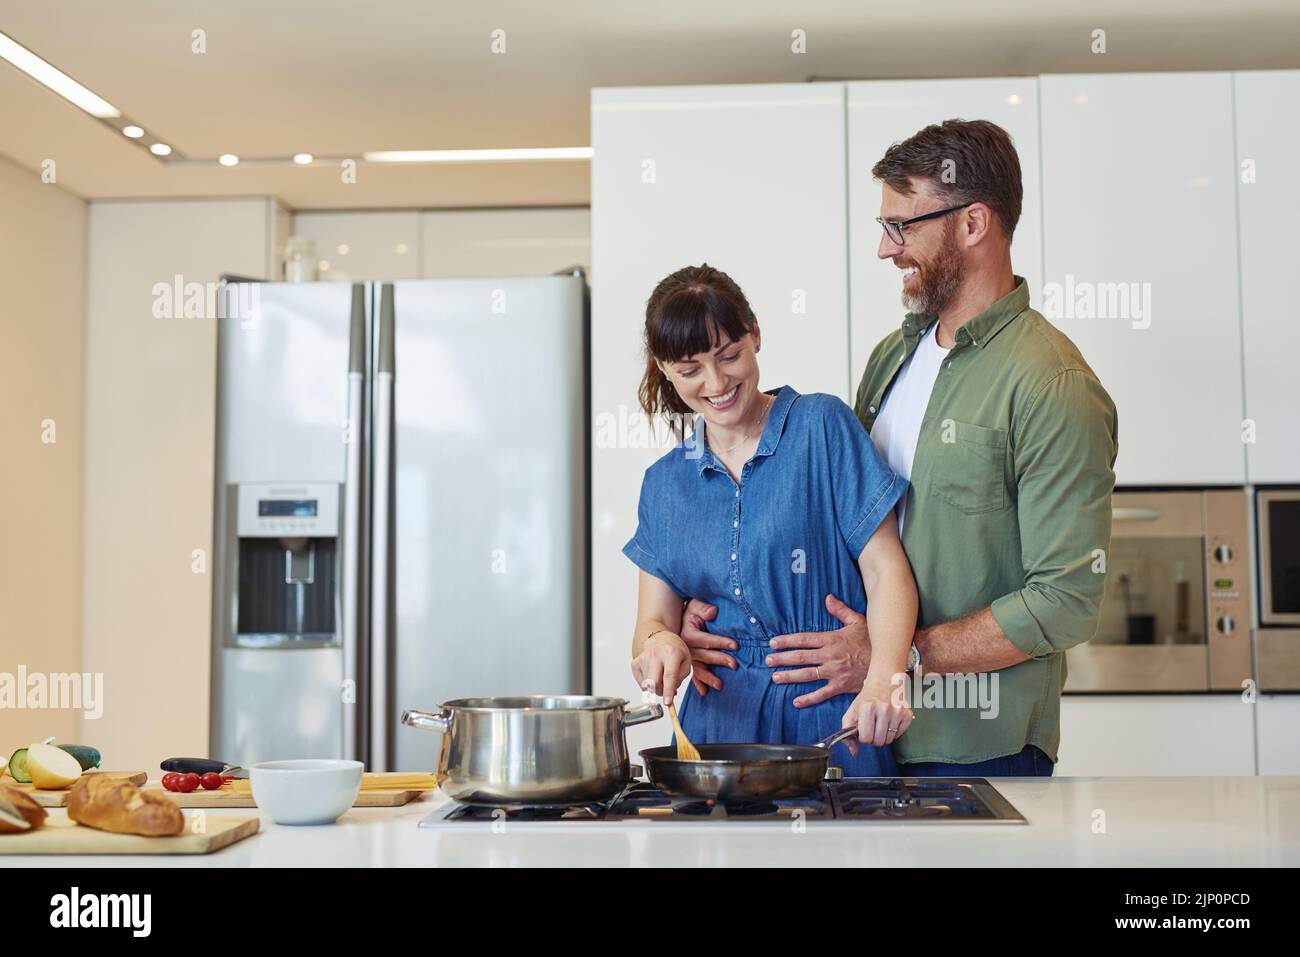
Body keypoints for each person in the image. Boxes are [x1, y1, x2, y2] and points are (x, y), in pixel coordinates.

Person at [685, 119, 1118, 777]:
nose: (887, 250)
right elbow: (837, 530)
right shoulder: (894, 356)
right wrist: (722, 611)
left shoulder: (1052, 384)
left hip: (976, 748)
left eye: (902, 226)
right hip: (855, 735)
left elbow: (1063, 600)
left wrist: (899, 656)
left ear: (973, 224)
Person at [624, 264, 918, 773]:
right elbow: (651, 622)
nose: (716, 383)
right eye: (690, 369)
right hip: (716, 733)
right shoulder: (664, 484)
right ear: (665, 368)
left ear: (755, 333)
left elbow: (886, 569)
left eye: (730, 356)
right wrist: (661, 645)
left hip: (834, 724)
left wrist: (884, 679)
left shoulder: (822, 428)